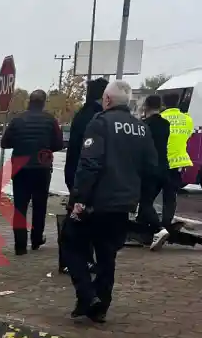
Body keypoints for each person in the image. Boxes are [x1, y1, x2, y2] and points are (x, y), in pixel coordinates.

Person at [63, 80, 157, 323]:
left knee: (70, 243)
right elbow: (151, 168)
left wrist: (78, 199)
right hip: (123, 204)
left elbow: (89, 164)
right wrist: (141, 200)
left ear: (106, 100)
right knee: (107, 255)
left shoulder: (100, 123)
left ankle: (87, 295)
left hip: (97, 202)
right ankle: (101, 305)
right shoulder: (141, 128)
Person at [1, 90, 64, 255]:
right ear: (44, 102)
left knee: (20, 207)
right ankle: (36, 239)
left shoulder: (17, 120)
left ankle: (20, 245)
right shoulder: (50, 121)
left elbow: (5, 142)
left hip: (20, 168)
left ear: (29, 101)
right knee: (40, 204)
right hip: (42, 168)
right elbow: (58, 144)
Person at [62, 77, 108, 273]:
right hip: (87, 175)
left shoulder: (83, 113)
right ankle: (80, 260)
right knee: (84, 219)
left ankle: (71, 259)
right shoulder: (98, 117)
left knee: (77, 217)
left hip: (75, 171)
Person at [151, 92, 195, 248]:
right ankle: (166, 224)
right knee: (170, 197)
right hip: (177, 163)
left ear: (163, 103)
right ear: (178, 102)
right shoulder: (187, 119)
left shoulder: (161, 118)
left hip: (161, 162)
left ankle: (156, 227)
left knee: (151, 196)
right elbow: (188, 136)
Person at [135, 95, 172, 250]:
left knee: (144, 201)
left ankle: (159, 229)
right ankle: (143, 234)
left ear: (146, 106)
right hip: (164, 167)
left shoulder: (144, 125)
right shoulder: (165, 124)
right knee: (147, 202)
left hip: (150, 169)